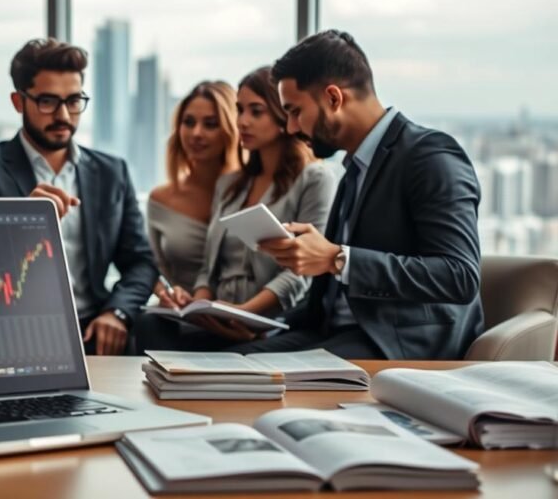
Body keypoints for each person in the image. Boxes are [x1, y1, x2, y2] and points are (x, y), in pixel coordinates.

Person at [235, 30, 483, 360]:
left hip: (398, 344)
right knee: (230, 360)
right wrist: (264, 323)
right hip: (336, 334)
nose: (292, 128)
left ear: (334, 98)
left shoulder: (430, 157)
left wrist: (337, 258)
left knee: (245, 373)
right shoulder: (355, 169)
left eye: (295, 111)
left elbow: (460, 275)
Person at [0, 38, 157, 355]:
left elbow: (141, 262)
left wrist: (116, 313)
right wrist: (25, 222)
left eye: (74, 101)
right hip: (10, 337)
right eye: (47, 101)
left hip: (92, 334)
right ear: (18, 101)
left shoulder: (111, 172)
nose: (63, 114)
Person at [134, 67, 338, 352]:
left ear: (282, 115)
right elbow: (208, 266)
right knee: (148, 325)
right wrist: (201, 304)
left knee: (229, 356)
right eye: (240, 110)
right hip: (219, 316)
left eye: (255, 112)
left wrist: (245, 313)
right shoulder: (231, 186)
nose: (242, 121)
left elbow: (303, 270)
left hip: (271, 320)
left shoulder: (315, 178)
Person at [145, 80, 241, 304]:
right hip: (183, 315)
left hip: (244, 315)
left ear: (231, 128)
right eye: (188, 122)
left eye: (210, 124)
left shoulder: (253, 191)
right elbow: (151, 269)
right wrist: (168, 294)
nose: (196, 133)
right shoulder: (160, 199)